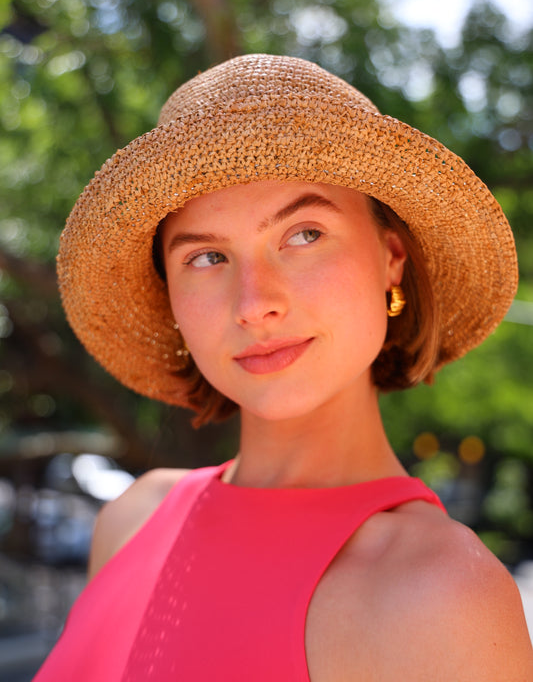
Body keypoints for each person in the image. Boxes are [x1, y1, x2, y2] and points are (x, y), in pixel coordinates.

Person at [35, 54, 532, 681]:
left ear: (392, 258)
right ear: (170, 298)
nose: (254, 304)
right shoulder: (131, 519)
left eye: (304, 235)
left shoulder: (439, 594)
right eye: (208, 256)